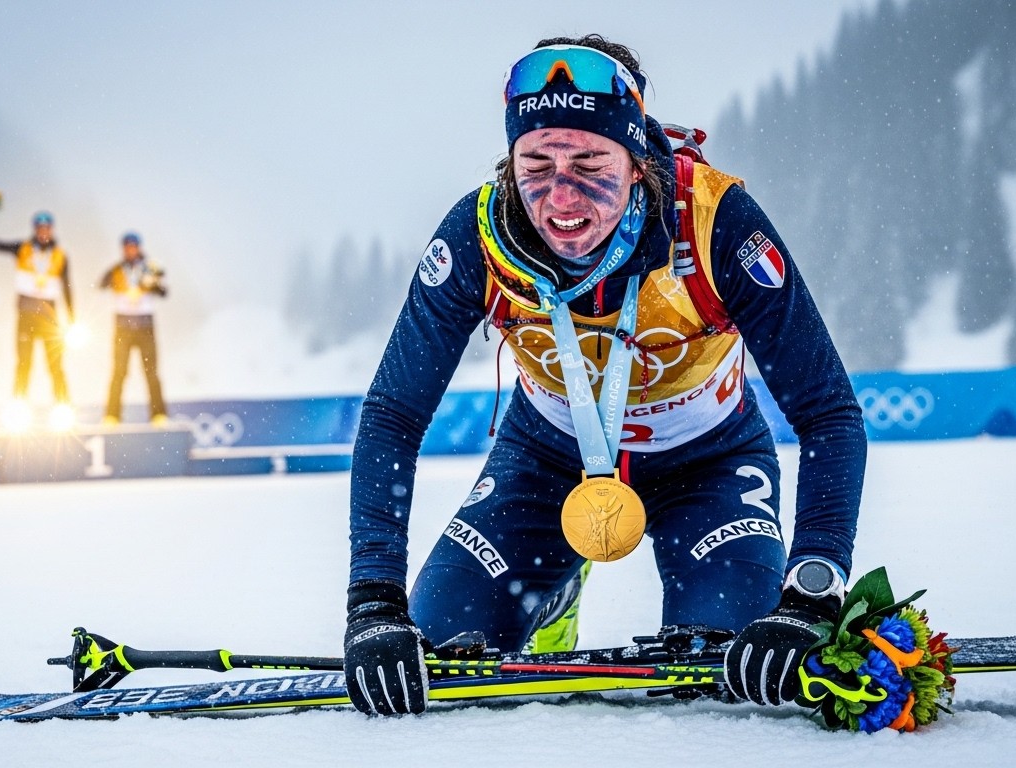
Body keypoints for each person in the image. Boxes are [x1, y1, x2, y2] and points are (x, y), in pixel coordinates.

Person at [342, 35, 867, 716]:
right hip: (545, 459)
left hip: (708, 465)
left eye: (590, 160)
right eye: (536, 162)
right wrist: (374, 601)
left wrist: (809, 593)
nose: (562, 195)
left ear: (636, 158)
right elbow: (393, 415)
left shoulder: (714, 220)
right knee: (443, 652)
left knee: (720, 667)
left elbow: (829, 413)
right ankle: (552, 589)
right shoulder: (478, 235)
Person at [0, 197, 75, 426]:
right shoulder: (22, 249)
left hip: (50, 317)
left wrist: (73, 319)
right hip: (26, 315)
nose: (43, 232)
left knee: (55, 365)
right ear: (35, 229)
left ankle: (64, 408)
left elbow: (68, 288)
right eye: (40, 228)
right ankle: (18, 412)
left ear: (52, 230)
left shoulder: (60, 255)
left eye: (47, 228)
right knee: (23, 363)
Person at [98, 232, 169, 426]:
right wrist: (114, 282)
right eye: (127, 247)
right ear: (123, 249)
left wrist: (150, 283)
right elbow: (101, 284)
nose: (130, 250)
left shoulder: (150, 268)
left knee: (151, 372)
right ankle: (112, 415)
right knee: (119, 372)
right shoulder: (117, 269)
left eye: (133, 246)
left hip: (145, 326)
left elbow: (164, 291)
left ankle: (158, 415)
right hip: (123, 327)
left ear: (139, 248)